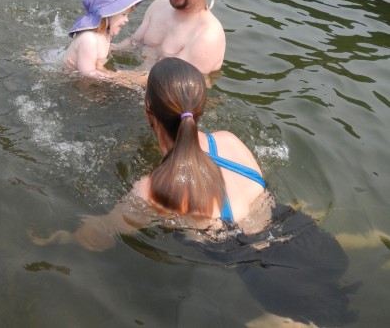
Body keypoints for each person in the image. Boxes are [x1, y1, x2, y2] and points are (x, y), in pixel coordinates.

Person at [29, 58, 357, 326]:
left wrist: (67, 236)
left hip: (272, 283)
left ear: (148, 112)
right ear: (200, 110)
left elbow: (99, 235)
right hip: (311, 243)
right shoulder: (231, 141)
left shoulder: (153, 190)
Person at [63, 0, 146, 84]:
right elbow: (87, 75)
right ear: (106, 15)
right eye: (123, 15)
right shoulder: (89, 39)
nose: (127, 20)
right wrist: (120, 79)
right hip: (70, 81)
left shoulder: (106, 35)